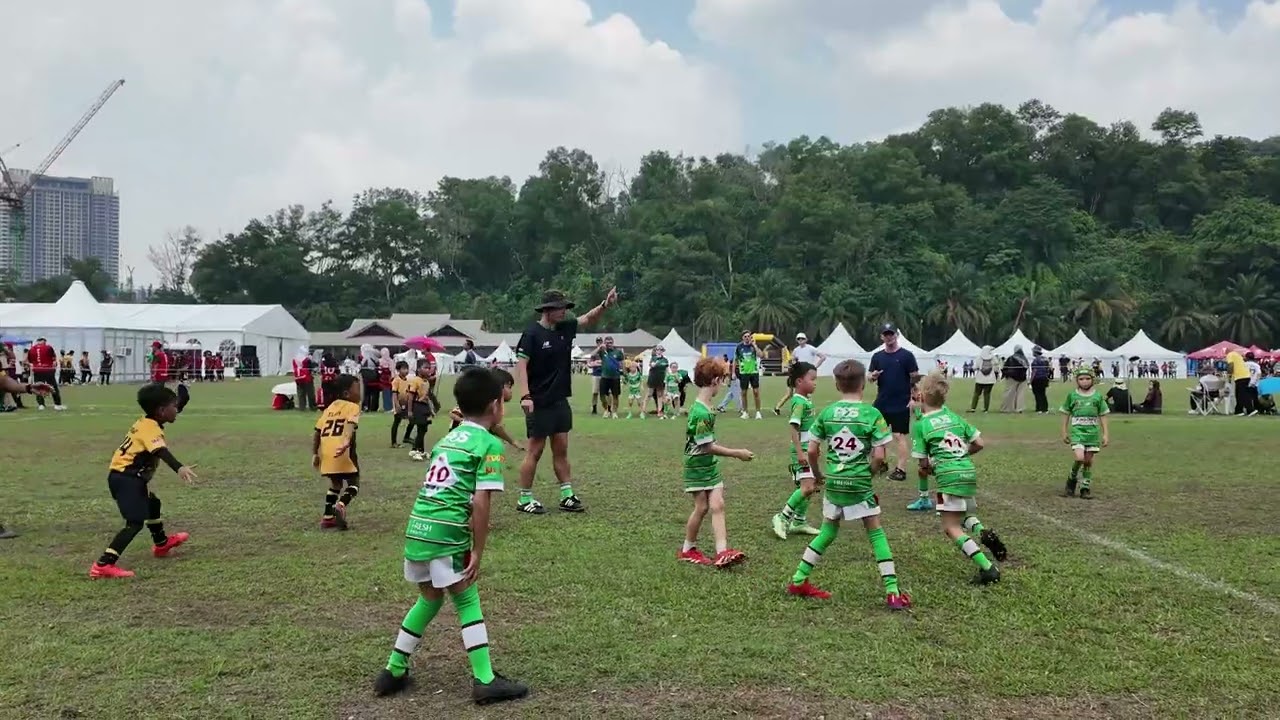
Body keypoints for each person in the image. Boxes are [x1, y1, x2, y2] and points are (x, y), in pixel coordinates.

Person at [373, 367, 528, 705]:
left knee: (429, 598)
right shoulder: (487, 443)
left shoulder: (448, 437)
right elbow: (481, 501)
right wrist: (478, 551)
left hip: (418, 528)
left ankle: (394, 670)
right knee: (467, 598)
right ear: (494, 406)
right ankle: (485, 679)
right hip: (447, 532)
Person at [784, 359, 911, 609]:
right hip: (859, 484)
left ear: (836, 383)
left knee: (828, 531)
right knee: (875, 532)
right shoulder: (872, 415)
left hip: (834, 483)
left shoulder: (828, 413)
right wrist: (868, 475)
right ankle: (893, 592)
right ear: (864, 383)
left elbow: (811, 450)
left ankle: (799, 579)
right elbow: (879, 457)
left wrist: (819, 474)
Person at [513, 287, 617, 515]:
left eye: (565, 308)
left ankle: (566, 495)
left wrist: (605, 304)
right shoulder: (531, 334)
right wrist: (525, 395)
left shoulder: (565, 328)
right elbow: (521, 366)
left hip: (560, 399)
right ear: (547, 310)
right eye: (560, 308)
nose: (564, 312)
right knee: (535, 451)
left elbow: (589, 318)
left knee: (561, 449)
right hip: (538, 400)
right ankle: (524, 498)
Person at [89, 383, 197, 579]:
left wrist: (183, 396)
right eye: (174, 406)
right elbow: (160, 451)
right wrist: (179, 467)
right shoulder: (150, 429)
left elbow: (172, 409)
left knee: (153, 504)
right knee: (135, 522)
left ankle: (161, 544)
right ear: (162, 410)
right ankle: (103, 564)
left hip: (129, 478)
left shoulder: (150, 419)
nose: (177, 410)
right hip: (125, 479)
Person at [912, 372, 1005, 585]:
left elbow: (923, 463)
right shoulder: (954, 417)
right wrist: (961, 454)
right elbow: (979, 443)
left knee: (950, 527)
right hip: (967, 473)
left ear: (922, 397)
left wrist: (932, 468)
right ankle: (983, 532)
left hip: (949, 478)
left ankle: (988, 568)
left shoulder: (921, 424)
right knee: (964, 515)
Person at [677, 357, 752, 568]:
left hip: (709, 464)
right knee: (701, 508)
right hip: (697, 465)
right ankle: (687, 549)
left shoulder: (707, 406)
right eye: (722, 380)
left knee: (718, 504)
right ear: (715, 381)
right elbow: (705, 446)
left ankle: (722, 552)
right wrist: (737, 453)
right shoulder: (702, 411)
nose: (722, 384)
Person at [770, 361, 821, 539]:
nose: (815, 382)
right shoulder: (798, 402)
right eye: (812, 379)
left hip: (809, 450)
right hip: (802, 452)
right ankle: (782, 517)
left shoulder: (806, 400)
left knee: (810, 486)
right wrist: (800, 453)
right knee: (807, 487)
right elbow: (793, 428)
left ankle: (799, 521)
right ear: (799, 381)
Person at [868, 323, 920, 482]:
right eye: (886, 334)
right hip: (882, 402)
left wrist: (913, 398)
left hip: (901, 403)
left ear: (896, 335)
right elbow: (869, 377)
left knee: (899, 436)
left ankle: (901, 470)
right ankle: (881, 463)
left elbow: (915, 377)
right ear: (881, 337)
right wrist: (873, 376)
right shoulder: (877, 357)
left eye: (891, 334)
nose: (889, 337)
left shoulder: (907, 356)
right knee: (875, 435)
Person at [313, 375, 362, 531]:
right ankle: (341, 505)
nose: (360, 393)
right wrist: (347, 440)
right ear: (347, 394)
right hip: (344, 451)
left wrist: (315, 453)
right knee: (354, 483)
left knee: (336, 484)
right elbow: (350, 424)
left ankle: (328, 517)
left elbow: (317, 431)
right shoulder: (352, 407)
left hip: (327, 451)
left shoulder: (330, 408)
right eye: (357, 389)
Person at [1061, 367, 1110, 500]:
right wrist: (1064, 431)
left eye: (1087, 378)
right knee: (1079, 457)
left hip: (1092, 433)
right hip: (1078, 432)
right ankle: (1071, 480)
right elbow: (1066, 413)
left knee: (1088, 461)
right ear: (1077, 380)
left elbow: (1103, 415)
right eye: (1081, 379)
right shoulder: (1072, 396)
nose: (1085, 382)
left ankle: (1085, 488)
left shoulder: (1098, 397)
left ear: (1092, 379)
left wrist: (1105, 434)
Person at [772, 333, 827, 415]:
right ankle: (777, 407)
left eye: (802, 339)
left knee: (806, 392)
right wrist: (792, 364)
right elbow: (792, 360)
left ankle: (809, 410)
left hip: (806, 373)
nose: (800, 340)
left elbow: (823, 357)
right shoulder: (796, 350)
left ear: (806, 339)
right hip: (797, 373)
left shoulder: (811, 348)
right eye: (799, 339)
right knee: (790, 393)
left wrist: (815, 366)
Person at [406, 359, 435, 461]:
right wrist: (410, 411)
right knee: (421, 429)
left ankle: (421, 450)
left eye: (429, 368)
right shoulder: (415, 380)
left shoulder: (426, 382)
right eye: (425, 368)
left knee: (424, 429)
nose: (428, 370)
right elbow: (410, 397)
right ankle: (415, 450)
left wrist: (431, 410)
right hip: (417, 406)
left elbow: (427, 397)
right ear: (419, 369)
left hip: (424, 407)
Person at [28, 337, 65, 411]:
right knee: (53, 387)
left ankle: (41, 405)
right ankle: (57, 404)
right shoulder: (48, 347)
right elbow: (53, 358)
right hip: (48, 369)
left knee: (39, 387)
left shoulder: (31, 349)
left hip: (37, 370)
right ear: (43, 341)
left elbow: (30, 360)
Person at [733, 331, 763, 419]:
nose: (747, 338)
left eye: (748, 336)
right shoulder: (739, 347)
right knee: (744, 392)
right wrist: (733, 372)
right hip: (743, 372)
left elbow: (761, 355)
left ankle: (758, 412)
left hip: (754, 372)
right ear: (742, 338)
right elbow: (735, 360)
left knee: (756, 392)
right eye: (745, 336)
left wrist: (755, 345)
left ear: (750, 337)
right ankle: (745, 412)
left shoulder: (753, 346)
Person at [596, 336, 625, 419]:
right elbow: (592, 355)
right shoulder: (602, 352)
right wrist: (600, 347)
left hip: (615, 377)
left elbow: (622, 363)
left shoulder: (618, 352)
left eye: (610, 342)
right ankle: (606, 410)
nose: (609, 344)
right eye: (607, 343)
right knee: (602, 395)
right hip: (604, 376)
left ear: (613, 343)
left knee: (615, 395)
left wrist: (625, 374)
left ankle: (614, 412)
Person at [390, 361, 412, 448]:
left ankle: (407, 437)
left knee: (412, 419)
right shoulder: (396, 380)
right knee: (396, 422)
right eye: (404, 369)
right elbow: (394, 393)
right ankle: (393, 442)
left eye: (407, 369)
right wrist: (397, 405)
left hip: (406, 404)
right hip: (399, 404)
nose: (406, 371)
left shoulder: (408, 380)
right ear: (398, 370)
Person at [1000, 346, 1029, 413]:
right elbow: (1026, 367)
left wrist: (1005, 374)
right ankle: (1019, 408)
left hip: (1012, 377)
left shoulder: (1011, 358)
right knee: (1020, 394)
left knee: (1009, 393)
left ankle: (1006, 408)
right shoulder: (1024, 359)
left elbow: (1005, 367)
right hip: (1023, 378)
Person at [643, 345, 668, 418]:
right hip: (652, 378)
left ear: (663, 351)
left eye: (661, 350)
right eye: (658, 350)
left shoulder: (665, 360)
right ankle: (643, 410)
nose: (659, 351)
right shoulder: (653, 358)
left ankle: (659, 411)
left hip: (661, 379)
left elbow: (666, 369)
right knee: (649, 394)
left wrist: (667, 378)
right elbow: (652, 365)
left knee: (660, 395)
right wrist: (655, 363)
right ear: (656, 351)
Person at [1029, 346, 1051, 413]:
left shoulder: (1035, 360)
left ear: (1035, 352)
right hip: (1044, 378)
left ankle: (1039, 408)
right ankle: (1045, 408)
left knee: (1037, 394)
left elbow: (1034, 371)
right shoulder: (1045, 359)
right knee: (1043, 393)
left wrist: (1030, 380)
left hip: (1037, 379)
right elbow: (1048, 369)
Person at [293, 348, 316, 412]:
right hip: (307, 378)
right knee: (310, 393)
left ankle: (302, 407)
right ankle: (312, 407)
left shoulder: (294, 359)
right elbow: (312, 366)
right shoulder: (306, 359)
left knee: (301, 393)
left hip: (298, 378)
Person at [588, 335, 604, 415]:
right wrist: (598, 348)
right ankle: (594, 408)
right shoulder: (595, 352)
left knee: (605, 393)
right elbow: (589, 362)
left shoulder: (605, 351)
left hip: (604, 374)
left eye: (600, 342)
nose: (599, 343)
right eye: (598, 342)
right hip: (596, 374)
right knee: (595, 392)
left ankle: (607, 408)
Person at [1244, 352, 1262, 416]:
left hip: (1246, 382)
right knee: (1255, 398)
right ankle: (1257, 410)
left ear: (1246, 357)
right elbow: (1259, 374)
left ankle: (1249, 410)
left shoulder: (1244, 364)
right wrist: (1256, 382)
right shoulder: (1256, 365)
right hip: (1254, 383)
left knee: (1246, 397)